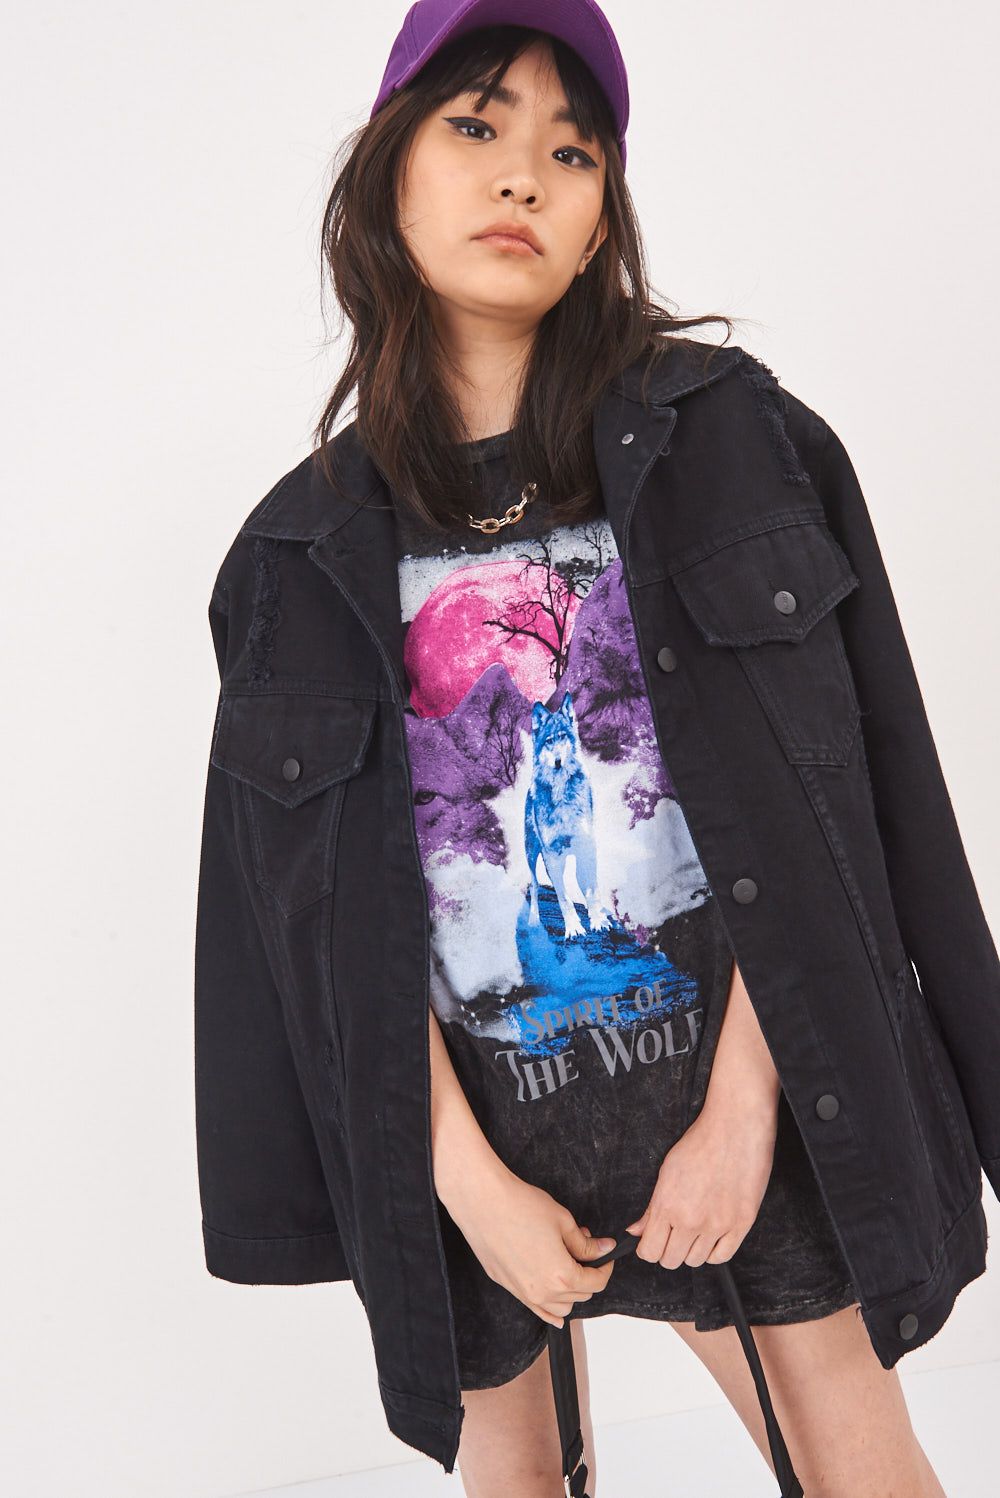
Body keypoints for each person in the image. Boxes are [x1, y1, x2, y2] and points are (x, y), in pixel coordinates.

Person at [195, 3, 994, 1494]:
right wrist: (466, 1185)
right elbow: (322, 937)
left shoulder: (736, 442)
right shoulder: (293, 561)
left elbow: (843, 808)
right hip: (482, 1169)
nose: (523, 176)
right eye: (476, 127)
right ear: (388, 168)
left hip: (753, 1117)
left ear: (600, 218)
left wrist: (742, 1109)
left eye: (572, 153)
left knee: (865, 1473)